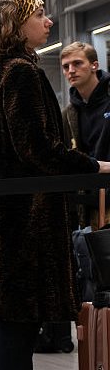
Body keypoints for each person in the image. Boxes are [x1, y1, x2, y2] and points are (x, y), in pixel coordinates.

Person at [0, 0, 110, 370]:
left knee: (16, 317)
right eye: (39, 15)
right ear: (17, 23)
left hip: (4, 213)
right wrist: (93, 166)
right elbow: (36, 149)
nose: (48, 22)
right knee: (22, 317)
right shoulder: (20, 73)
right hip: (25, 218)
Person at [61, 41, 110, 229]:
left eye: (77, 63)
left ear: (94, 65)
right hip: (89, 205)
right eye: (66, 67)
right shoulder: (68, 114)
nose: (71, 70)